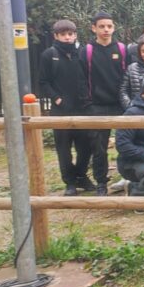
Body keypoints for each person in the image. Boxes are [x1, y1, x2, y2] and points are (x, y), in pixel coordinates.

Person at [38, 19, 94, 196]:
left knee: (86, 147)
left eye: (70, 34)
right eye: (63, 34)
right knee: (64, 149)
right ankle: (69, 182)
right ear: (56, 36)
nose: (67, 37)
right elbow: (43, 82)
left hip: (83, 108)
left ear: (75, 35)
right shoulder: (49, 55)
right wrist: (57, 99)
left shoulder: (82, 53)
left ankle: (81, 176)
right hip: (61, 110)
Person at [81, 10, 127, 196]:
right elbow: (81, 79)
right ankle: (101, 182)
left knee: (126, 144)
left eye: (109, 26)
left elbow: (127, 77)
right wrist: (88, 104)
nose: (106, 30)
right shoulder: (87, 51)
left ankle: (128, 178)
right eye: (102, 26)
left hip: (120, 104)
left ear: (114, 27)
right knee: (99, 148)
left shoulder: (122, 49)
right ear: (94, 28)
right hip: (97, 106)